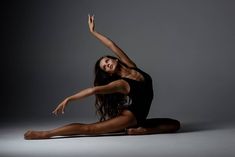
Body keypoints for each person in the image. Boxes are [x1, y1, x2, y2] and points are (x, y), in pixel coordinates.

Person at [24, 15, 180, 140]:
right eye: (105, 68)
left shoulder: (131, 65)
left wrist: (93, 32)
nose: (107, 65)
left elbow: (112, 45)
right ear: (110, 74)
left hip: (139, 117)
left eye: (107, 61)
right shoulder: (121, 84)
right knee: (89, 129)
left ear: (114, 59)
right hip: (131, 117)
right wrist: (69, 99)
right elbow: (94, 90)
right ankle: (44, 134)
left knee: (175, 125)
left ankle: (141, 131)